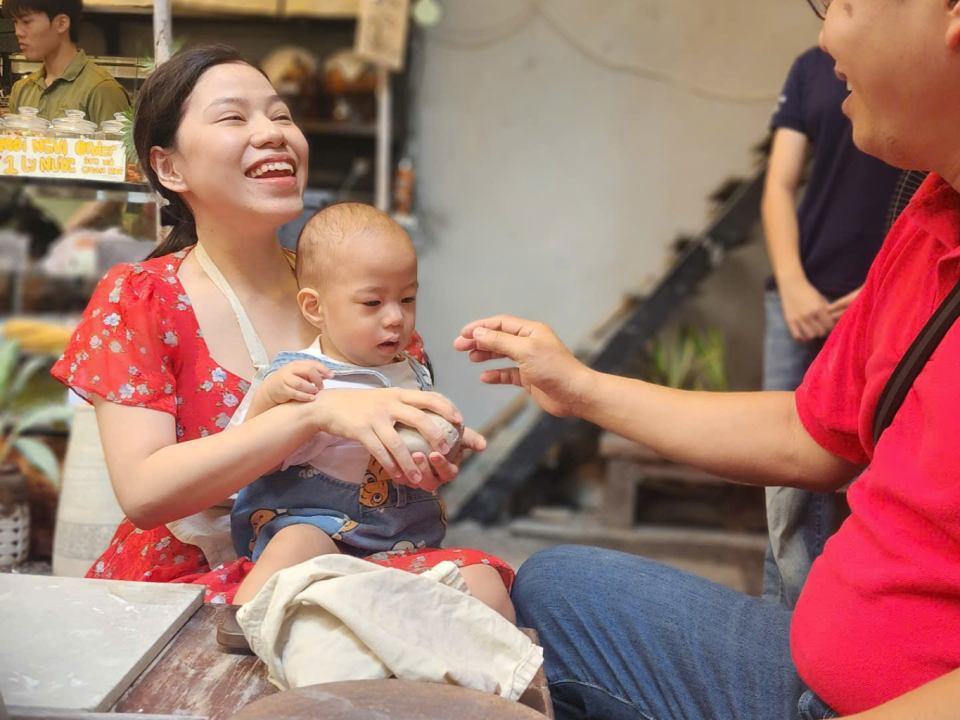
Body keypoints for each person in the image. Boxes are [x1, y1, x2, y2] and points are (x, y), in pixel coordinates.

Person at [455, 1, 960, 715]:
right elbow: (809, 435)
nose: (824, 35)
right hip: (818, 667)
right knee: (549, 585)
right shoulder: (929, 212)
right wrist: (577, 388)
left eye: (845, 3)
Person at [51, 45, 489, 605]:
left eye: (281, 115)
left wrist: (423, 457)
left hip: (362, 554)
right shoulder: (142, 298)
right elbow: (144, 494)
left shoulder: (360, 295)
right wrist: (315, 415)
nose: (274, 133)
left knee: (485, 588)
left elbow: (395, 452)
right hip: (192, 585)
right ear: (169, 167)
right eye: (235, 117)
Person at [227, 203, 514, 620]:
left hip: (399, 539)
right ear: (315, 307)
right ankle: (245, 623)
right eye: (372, 302)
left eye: (407, 298)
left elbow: (425, 461)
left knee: (484, 581)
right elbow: (242, 454)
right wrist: (268, 403)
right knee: (296, 545)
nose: (396, 317)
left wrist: (443, 454)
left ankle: (484, 665)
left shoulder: (412, 372)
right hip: (315, 527)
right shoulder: (295, 375)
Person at [760, 45, 901, 608]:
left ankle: (844, 619)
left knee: (880, 462)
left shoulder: (914, 62)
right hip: (801, 297)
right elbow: (778, 185)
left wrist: (893, 283)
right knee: (784, 477)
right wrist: (792, 283)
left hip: (889, 296)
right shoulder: (812, 66)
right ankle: (781, 615)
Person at [3, 0, 131, 125]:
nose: (18, 32)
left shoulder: (102, 89)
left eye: (26, 22)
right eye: (15, 22)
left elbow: (118, 145)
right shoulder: (21, 90)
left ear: (61, 23)